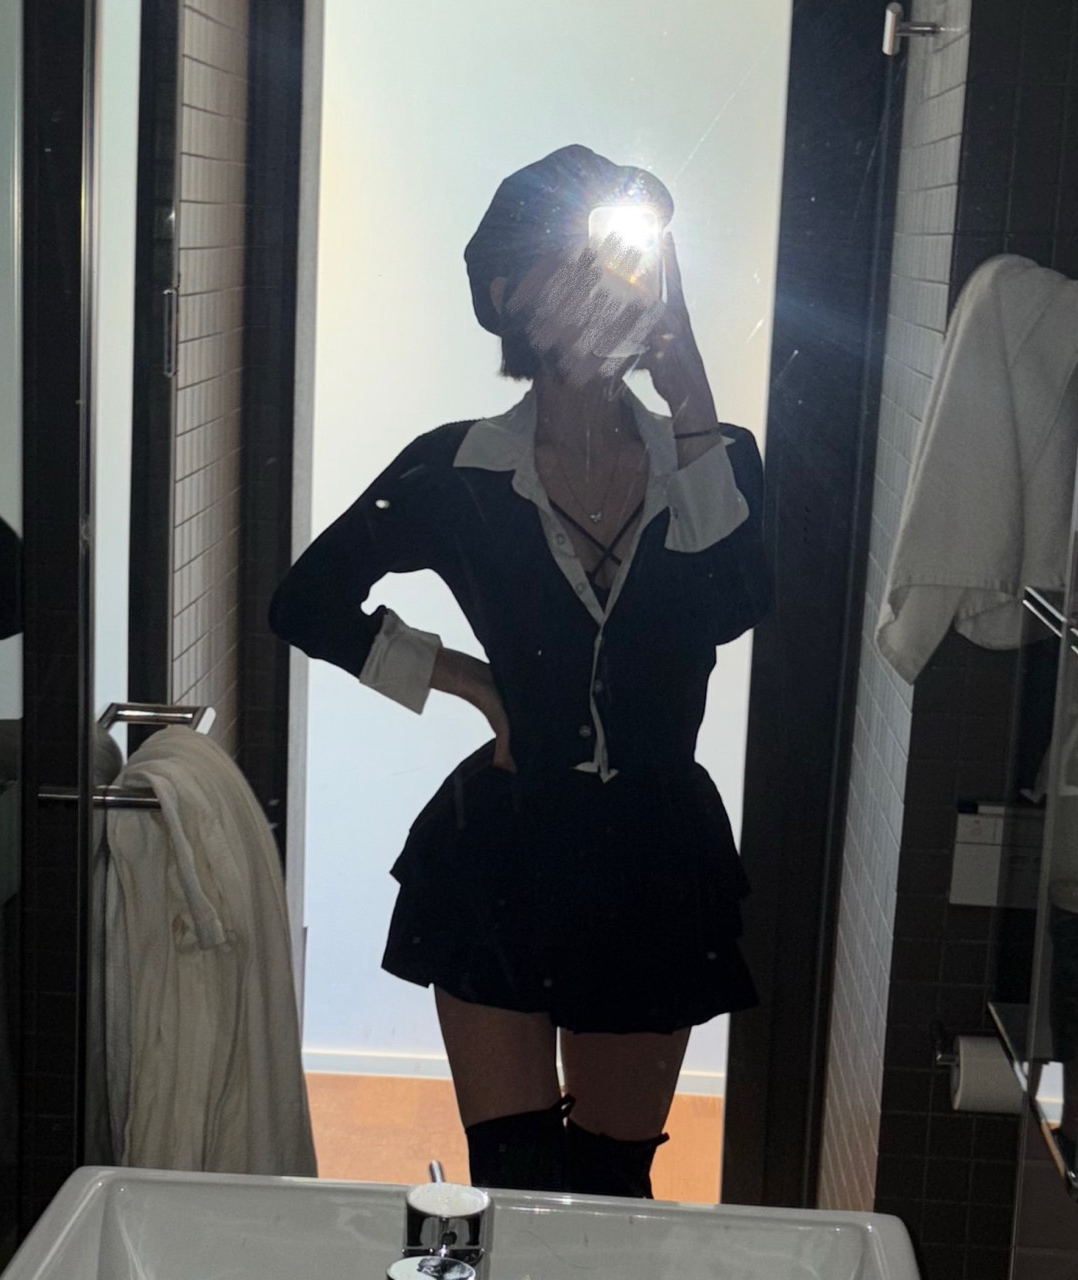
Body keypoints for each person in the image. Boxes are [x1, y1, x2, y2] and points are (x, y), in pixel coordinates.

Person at [271, 145, 772, 1198]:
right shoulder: (455, 470)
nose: (601, 286)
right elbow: (304, 603)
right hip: (501, 853)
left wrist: (688, 394)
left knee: (609, 1189)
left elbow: (737, 602)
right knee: (508, 1179)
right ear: (506, 295)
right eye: (568, 258)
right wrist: (468, 682)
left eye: (618, 260)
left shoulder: (714, 458)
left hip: (655, 860)